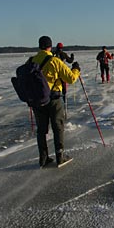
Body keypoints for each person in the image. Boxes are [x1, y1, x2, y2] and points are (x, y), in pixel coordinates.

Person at [32, 35, 81, 168]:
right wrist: (76, 69)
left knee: (41, 130)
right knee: (57, 127)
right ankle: (60, 156)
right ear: (50, 46)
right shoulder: (54, 61)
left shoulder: (31, 61)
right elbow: (71, 78)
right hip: (53, 99)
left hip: (37, 101)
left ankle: (43, 158)